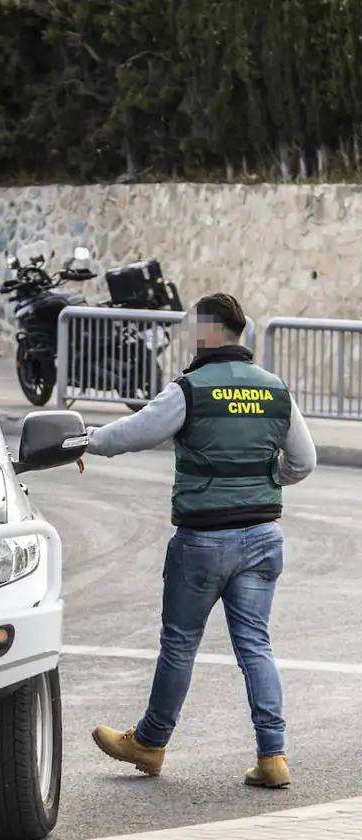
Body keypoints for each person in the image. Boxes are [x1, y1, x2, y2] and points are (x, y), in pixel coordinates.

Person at [83, 293, 316, 789]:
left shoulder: (190, 389)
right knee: (255, 644)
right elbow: (303, 462)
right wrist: (261, 479)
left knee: (180, 644)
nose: (188, 334)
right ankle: (273, 756)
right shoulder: (276, 391)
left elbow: (135, 432)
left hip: (204, 540)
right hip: (262, 537)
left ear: (210, 332)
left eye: (193, 326)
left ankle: (150, 743)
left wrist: (88, 440)